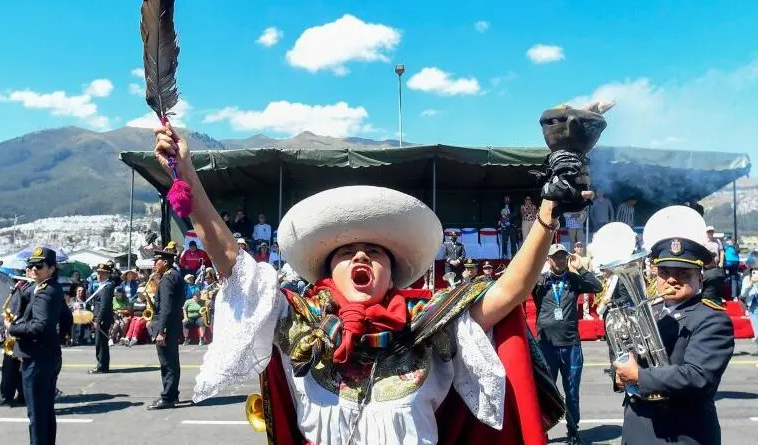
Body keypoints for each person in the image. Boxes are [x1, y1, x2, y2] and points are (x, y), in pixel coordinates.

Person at [153, 109, 601, 444]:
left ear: (393, 272)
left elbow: (510, 290)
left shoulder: (430, 324)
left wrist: (548, 210)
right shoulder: (298, 323)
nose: (361, 256)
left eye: (374, 252)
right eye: (347, 252)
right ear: (329, 269)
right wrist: (185, 172)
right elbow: (231, 259)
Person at [612, 206, 734, 445]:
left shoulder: (712, 318)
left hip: (679, 434)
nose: (671, 279)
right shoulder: (649, 311)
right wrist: (619, 375)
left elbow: (698, 376)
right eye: (665, 271)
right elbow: (627, 354)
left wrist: (639, 376)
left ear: (699, 277)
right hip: (636, 429)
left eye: (682, 273)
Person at [532, 244, 603, 444]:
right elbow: (522, 286)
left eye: (563, 256)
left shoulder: (573, 280)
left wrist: (580, 267)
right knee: (546, 392)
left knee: (572, 393)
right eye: (555, 257)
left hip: (571, 344)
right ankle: (542, 431)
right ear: (549, 259)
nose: (560, 260)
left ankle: (573, 431)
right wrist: (537, 267)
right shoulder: (541, 281)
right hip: (546, 345)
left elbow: (597, 287)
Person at [6, 247, 63, 445]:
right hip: (48, 355)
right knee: (45, 411)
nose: (33, 270)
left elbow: (39, 327)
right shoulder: (46, 288)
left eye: (39, 266)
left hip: (38, 358)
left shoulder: (44, 293)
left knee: (37, 415)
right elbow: (67, 318)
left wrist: (13, 328)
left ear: (52, 269)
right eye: (31, 266)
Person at [147, 248, 185, 410]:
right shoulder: (174, 276)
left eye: (157, 261)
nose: (155, 264)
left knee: (167, 363)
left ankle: (168, 397)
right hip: (173, 324)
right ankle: (173, 394)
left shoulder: (168, 279)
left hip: (166, 328)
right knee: (172, 362)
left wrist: (161, 331)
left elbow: (167, 308)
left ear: (166, 262)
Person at [0, 276, 34, 407]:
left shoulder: (32, 289)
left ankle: (9, 396)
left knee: (12, 368)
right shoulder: (20, 287)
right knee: (14, 368)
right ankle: (16, 395)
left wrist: (14, 321)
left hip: (20, 331)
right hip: (15, 330)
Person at [88, 263, 115, 374]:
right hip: (99, 317)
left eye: (103, 273)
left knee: (101, 343)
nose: (99, 275)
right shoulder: (101, 285)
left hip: (102, 318)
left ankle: (102, 366)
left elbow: (104, 306)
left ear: (108, 274)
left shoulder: (106, 287)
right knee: (100, 342)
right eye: (98, 273)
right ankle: (102, 364)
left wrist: (98, 321)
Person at [700, 226, 726, 305]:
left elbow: (721, 251)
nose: (710, 233)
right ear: (706, 233)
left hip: (716, 266)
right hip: (706, 267)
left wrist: (721, 262)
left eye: (711, 231)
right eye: (709, 232)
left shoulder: (717, 241)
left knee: (718, 282)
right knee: (706, 283)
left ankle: (718, 297)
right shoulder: (703, 242)